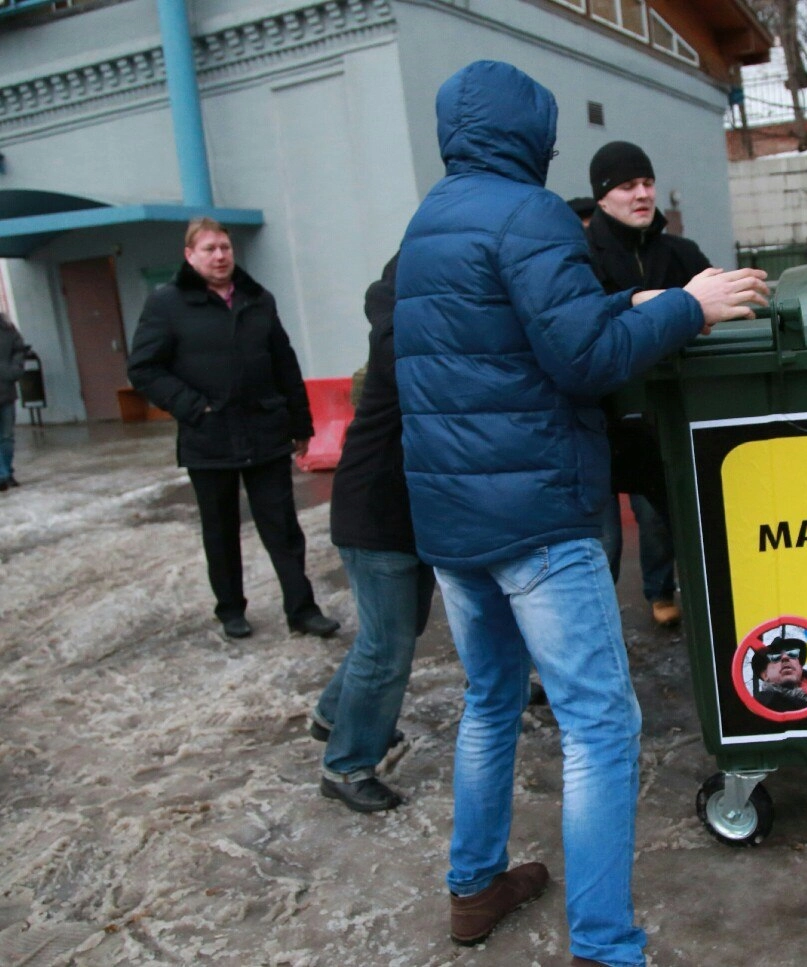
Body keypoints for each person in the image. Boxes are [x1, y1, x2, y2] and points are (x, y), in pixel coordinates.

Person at [392, 60, 767, 966]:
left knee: (490, 700)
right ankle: (604, 944)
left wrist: (620, 299)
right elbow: (585, 361)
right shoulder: (530, 213)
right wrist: (688, 306)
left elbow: (512, 326)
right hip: (536, 517)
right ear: (529, 134)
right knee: (601, 725)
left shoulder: (429, 220)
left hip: (454, 517)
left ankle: (474, 884)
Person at [128, 218, 340, 641]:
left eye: (224, 247)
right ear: (190, 255)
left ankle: (302, 610)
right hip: (209, 436)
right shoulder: (168, 304)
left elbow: (284, 362)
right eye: (209, 249)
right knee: (221, 530)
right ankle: (230, 610)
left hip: (264, 430)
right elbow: (144, 369)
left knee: (283, 528)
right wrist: (194, 407)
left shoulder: (257, 299)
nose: (220, 256)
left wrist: (300, 422)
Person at [310, 252, 432, 813]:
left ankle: (333, 713)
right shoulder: (400, 340)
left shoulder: (408, 328)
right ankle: (346, 765)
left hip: (406, 515)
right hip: (375, 514)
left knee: (394, 633)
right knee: (387, 645)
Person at [584, 141, 713, 628]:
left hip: (662, 414)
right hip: (596, 417)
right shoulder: (579, 259)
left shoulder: (682, 253)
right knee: (601, 542)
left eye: (647, 183)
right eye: (626, 186)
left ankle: (666, 595)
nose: (641, 194)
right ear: (602, 196)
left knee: (664, 517)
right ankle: (596, 635)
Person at [751, 625, 807, 713]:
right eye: (775, 657)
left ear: (800, 668)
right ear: (765, 675)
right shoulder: (760, 706)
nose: (785, 657)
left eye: (792, 654)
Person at [0, 312, 28, 492]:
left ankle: (6, 473)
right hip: (6, 387)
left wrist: (14, 369)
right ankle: (2, 475)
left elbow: (19, 348)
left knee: (7, 437)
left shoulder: (6, 328)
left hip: (6, 391)